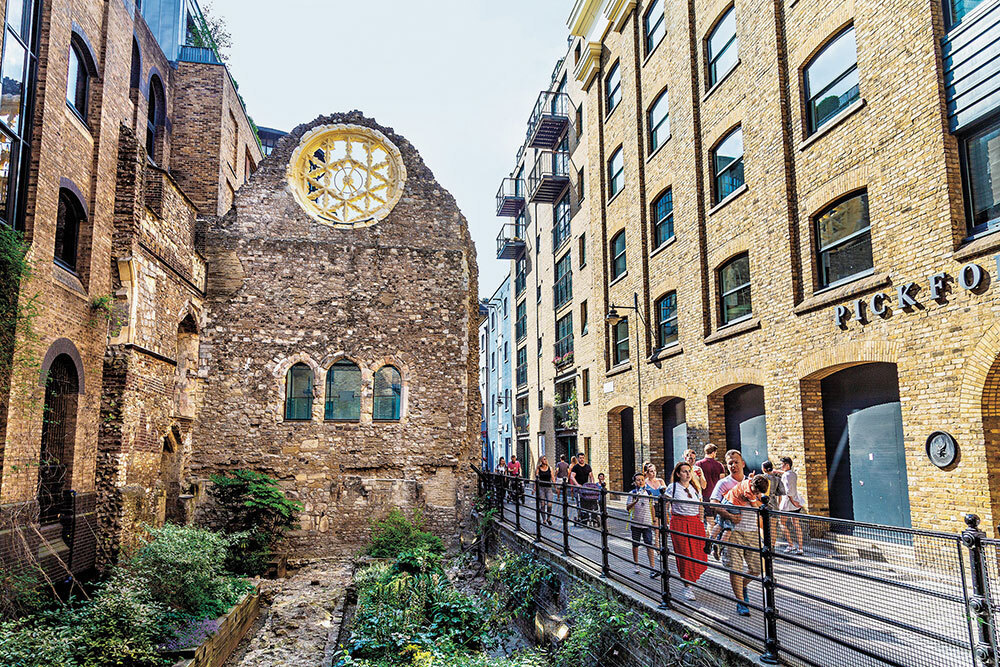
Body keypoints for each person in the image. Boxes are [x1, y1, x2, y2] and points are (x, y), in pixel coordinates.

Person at [710, 450, 762, 617]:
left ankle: (742, 586)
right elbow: (713, 504)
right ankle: (741, 601)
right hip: (733, 532)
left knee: (756, 569)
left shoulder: (751, 482)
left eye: (736, 462)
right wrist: (730, 516)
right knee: (735, 568)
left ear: (743, 463)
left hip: (752, 530)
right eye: (730, 463)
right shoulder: (723, 483)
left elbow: (761, 503)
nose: (733, 465)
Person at [664, 461, 709, 601]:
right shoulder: (673, 487)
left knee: (698, 553)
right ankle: (687, 586)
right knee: (684, 554)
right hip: (679, 523)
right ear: (678, 474)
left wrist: (702, 522)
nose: (688, 474)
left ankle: (692, 579)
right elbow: (664, 504)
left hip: (695, 523)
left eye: (689, 471)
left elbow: (700, 506)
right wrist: (664, 522)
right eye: (684, 471)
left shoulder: (694, 487)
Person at [626, 472, 658, 578]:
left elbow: (652, 507)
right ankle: (636, 564)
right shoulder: (632, 493)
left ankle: (652, 568)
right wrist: (635, 501)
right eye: (638, 480)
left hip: (647, 523)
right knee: (635, 544)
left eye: (642, 480)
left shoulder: (648, 493)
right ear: (634, 482)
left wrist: (654, 520)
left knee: (649, 544)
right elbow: (628, 508)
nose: (640, 481)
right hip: (635, 522)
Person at [778, 456, 806, 555]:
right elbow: (786, 475)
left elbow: (787, 491)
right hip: (796, 501)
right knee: (796, 524)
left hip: (788, 503)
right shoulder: (793, 474)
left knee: (782, 523)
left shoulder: (785, 476)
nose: (781, 466)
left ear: (787, 465)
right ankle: (800, 548)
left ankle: (790, 545)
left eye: (782, 464)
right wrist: (776, 471)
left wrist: (793, 501)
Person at [696, 444, 725, 528]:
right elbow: (722, 480)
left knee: (709, 519)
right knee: (717, 519)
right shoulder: (719, 465)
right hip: (717, 496)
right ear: (713, 452)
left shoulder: (699, 464)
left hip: (704, 494)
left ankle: (709, 539)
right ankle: (713, 538)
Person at [643, 462, 667, 545]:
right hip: (652, 506)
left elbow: (666, 493)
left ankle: (663, 545)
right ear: (646, 473)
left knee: (664, 528)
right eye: (651, 471)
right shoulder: (645, 483)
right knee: (656, 528)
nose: (653, 473)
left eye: (654, 471)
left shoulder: (660, 481)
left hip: (662, 506)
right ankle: (657, 546)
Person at [569, 453, 594, 522]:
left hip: (586, 487)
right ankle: (580, 516)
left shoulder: (588, 467)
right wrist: (577, 484)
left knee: (587, 501)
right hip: (578, 487)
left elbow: (591, 476)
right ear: (577, 459)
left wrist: (592, 484)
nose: (582, 459)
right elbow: (572, 476)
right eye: (580, 458)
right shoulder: (575, 467)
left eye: (583, 458)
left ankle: (587, 516)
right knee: (579, 502)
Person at [535, 455, 554, 526]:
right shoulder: (538, 468)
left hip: (548, 488)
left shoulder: (550, 468)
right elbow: (536, 479)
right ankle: (544, 520)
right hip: (541, 488)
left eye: (546, 459)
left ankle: (548, 518)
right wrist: (534, 488)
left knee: (549, 504)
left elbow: (552, 477)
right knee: (542, 504)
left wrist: (556, 486)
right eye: (544, 459)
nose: (545, 460)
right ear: (541, 461)